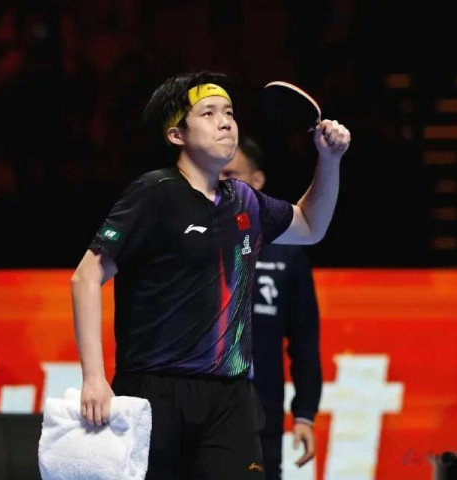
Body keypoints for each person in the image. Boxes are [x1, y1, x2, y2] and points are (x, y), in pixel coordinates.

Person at [70, 70, 350, 479]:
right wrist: (94, 378)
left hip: (231, 397)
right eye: (209, 113)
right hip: (155, 390)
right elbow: (85, 277)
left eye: (229, 113)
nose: (225, 123)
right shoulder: (154, 193)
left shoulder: (246, 201)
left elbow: (310, 226)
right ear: (176, 135)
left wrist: (329, 161)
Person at [220, 136, 323, 480]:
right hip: (199, 410)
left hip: (260, 413)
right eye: (215, 174)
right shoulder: (193, 240)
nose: (221, 182)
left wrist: (304, 413)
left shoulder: (286, 249)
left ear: (257, 180)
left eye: (231, 174)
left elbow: (304, 339)